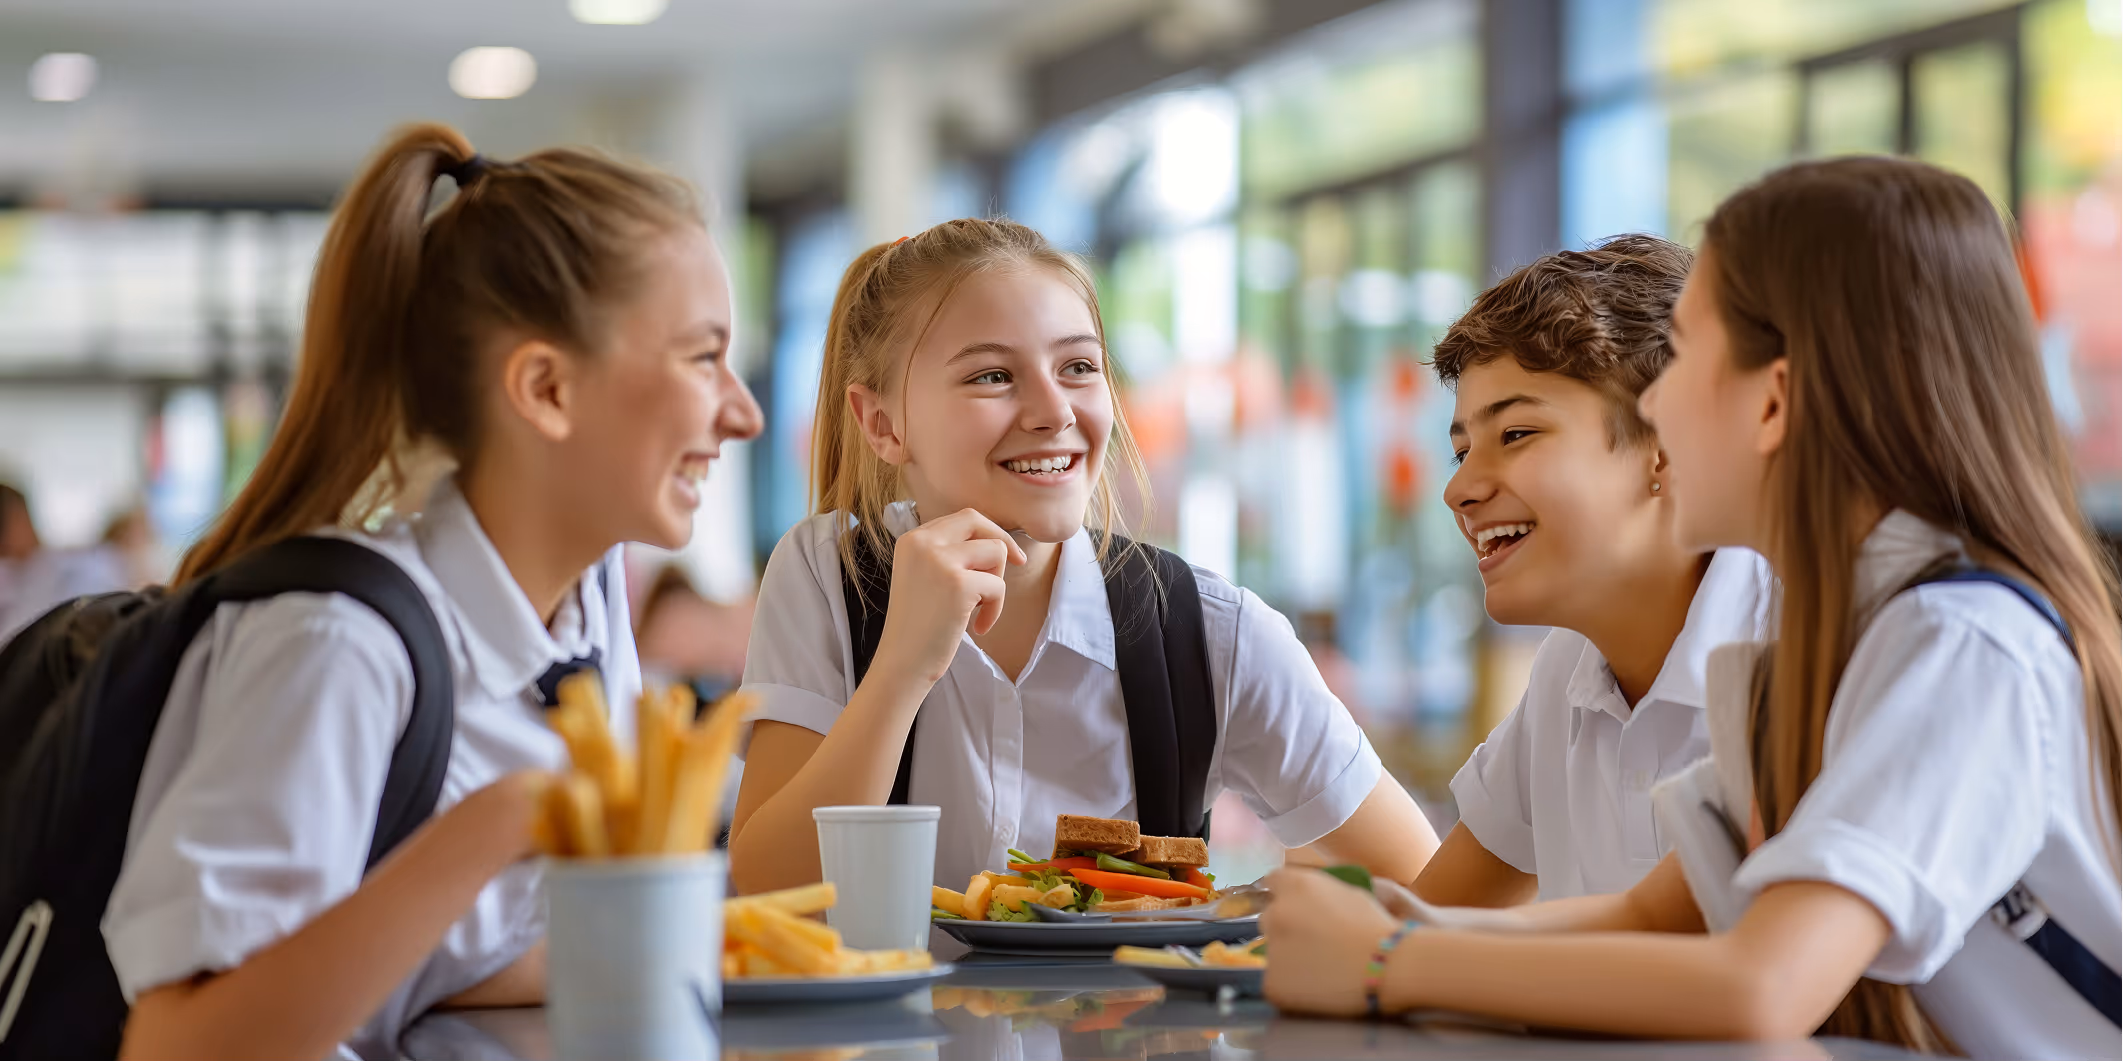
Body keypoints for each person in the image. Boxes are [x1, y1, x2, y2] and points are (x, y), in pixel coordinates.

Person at [1261, 156, 2121, 1059]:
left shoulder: (1957, 640)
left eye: (1688, 355)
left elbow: (1761, 986)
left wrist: (1389, 962)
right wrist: (1394, 930)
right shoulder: (1828, 654)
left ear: (1774, 401)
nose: (1657, 403)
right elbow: (1652, 914)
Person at [103, 122, 762, 1059]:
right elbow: (178, 1046)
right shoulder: (335, 643)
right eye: (702, 358)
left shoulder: (584, 613)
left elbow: (434, 967)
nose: (743, 412)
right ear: (545, 389)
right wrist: (495, 827)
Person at [729, 218, 1438, 894]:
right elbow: (772, 884)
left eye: (1077, 366)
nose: (1053, 411)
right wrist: (901, 671)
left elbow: (1428, 885)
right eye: (991, 377)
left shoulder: (1207, 631)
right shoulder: (829, 577)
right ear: (882, 423)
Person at [1414, 235, 1773, 906]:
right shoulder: (1569, 672)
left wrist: (1386, 954)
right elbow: (1429, 914)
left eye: (1515, 434)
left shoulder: (1800, 647)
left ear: (1665, 447)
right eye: (1460, 451)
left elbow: (1739, 983)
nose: (1457, 489)